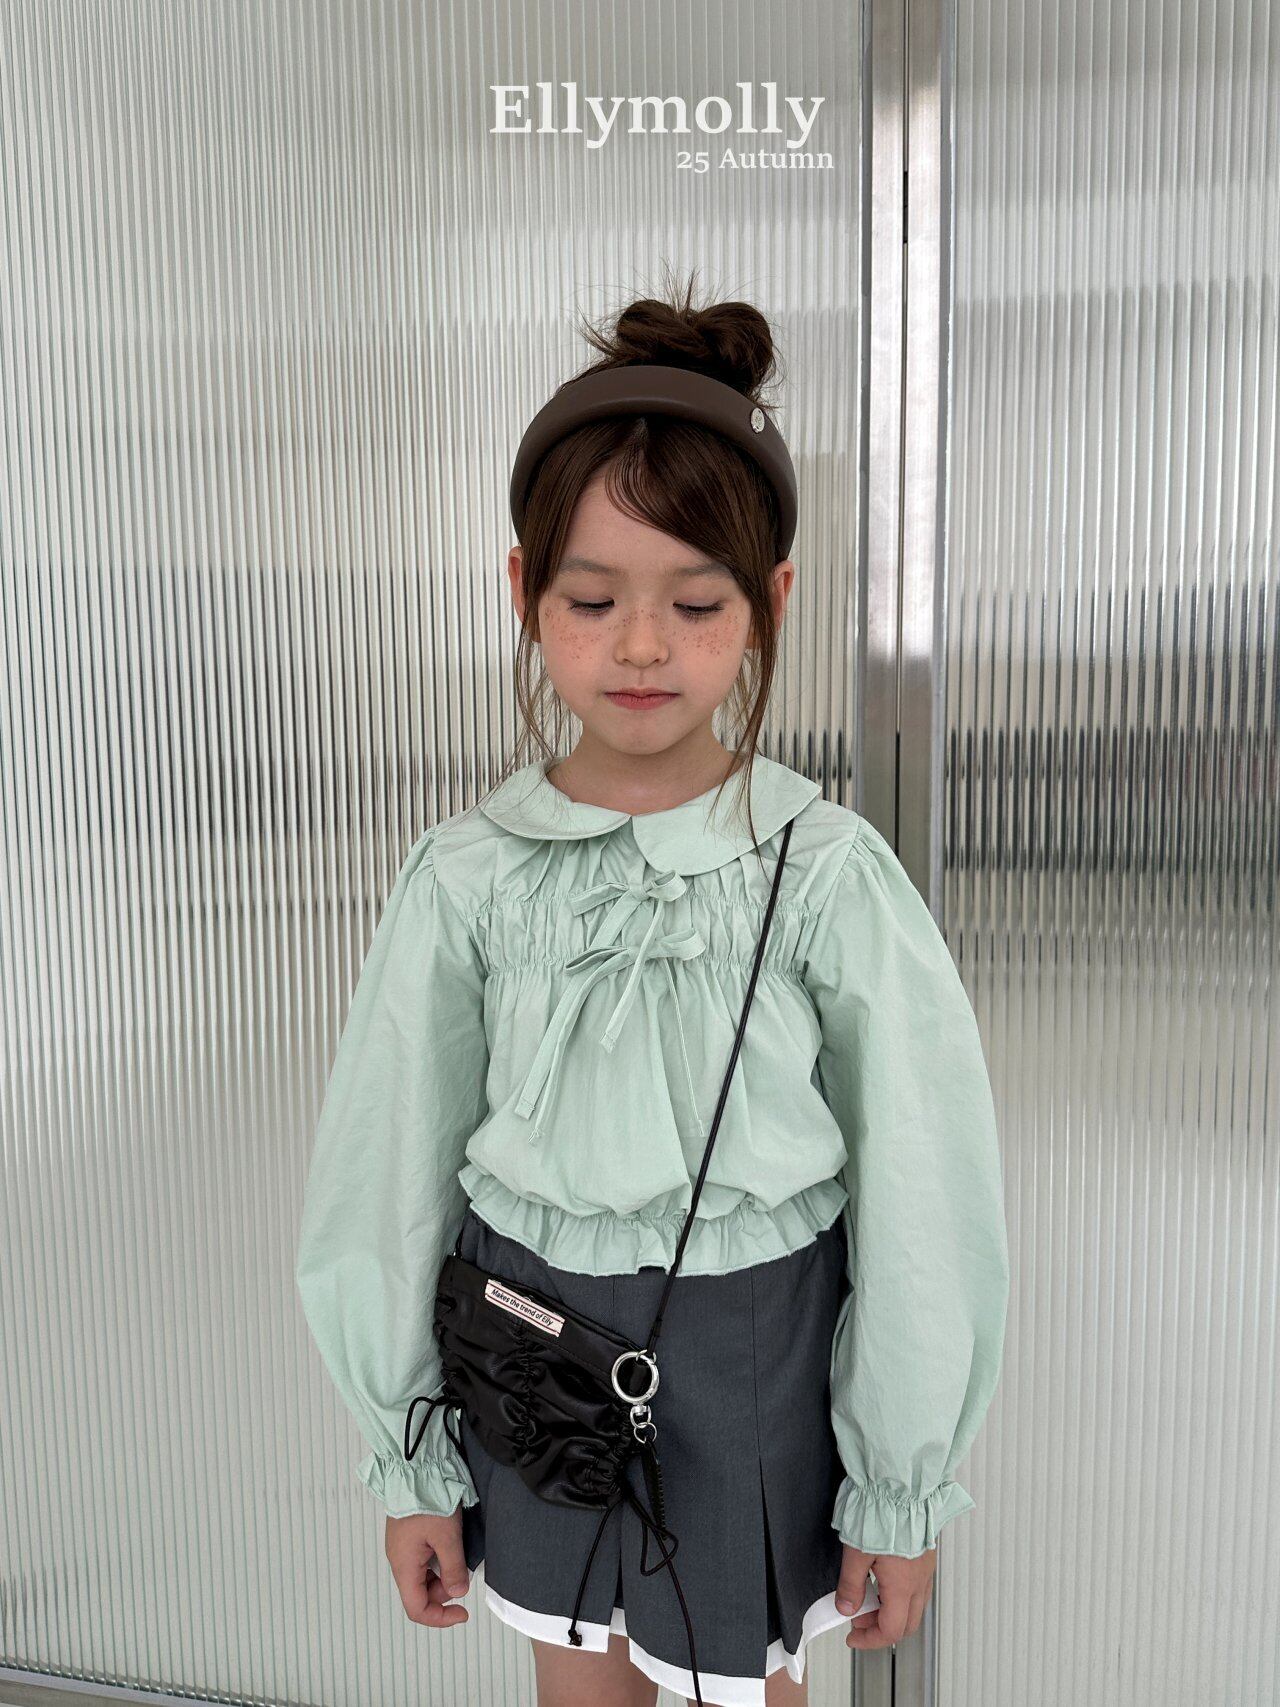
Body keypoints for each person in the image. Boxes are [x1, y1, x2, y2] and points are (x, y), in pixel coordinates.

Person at [295, 268, 1009, 1707]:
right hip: (529, 1347)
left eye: (694, 601)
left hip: (755, 1351)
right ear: (523, 592)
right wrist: (409, 1458)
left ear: (768, 602)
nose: (640, 645)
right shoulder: (468, 876)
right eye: (592, 597)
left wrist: (901, 1485)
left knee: (749, 1684)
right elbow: (384, 1173)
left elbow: (927, 1191)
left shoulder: (825, 873)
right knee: (579, 1677)